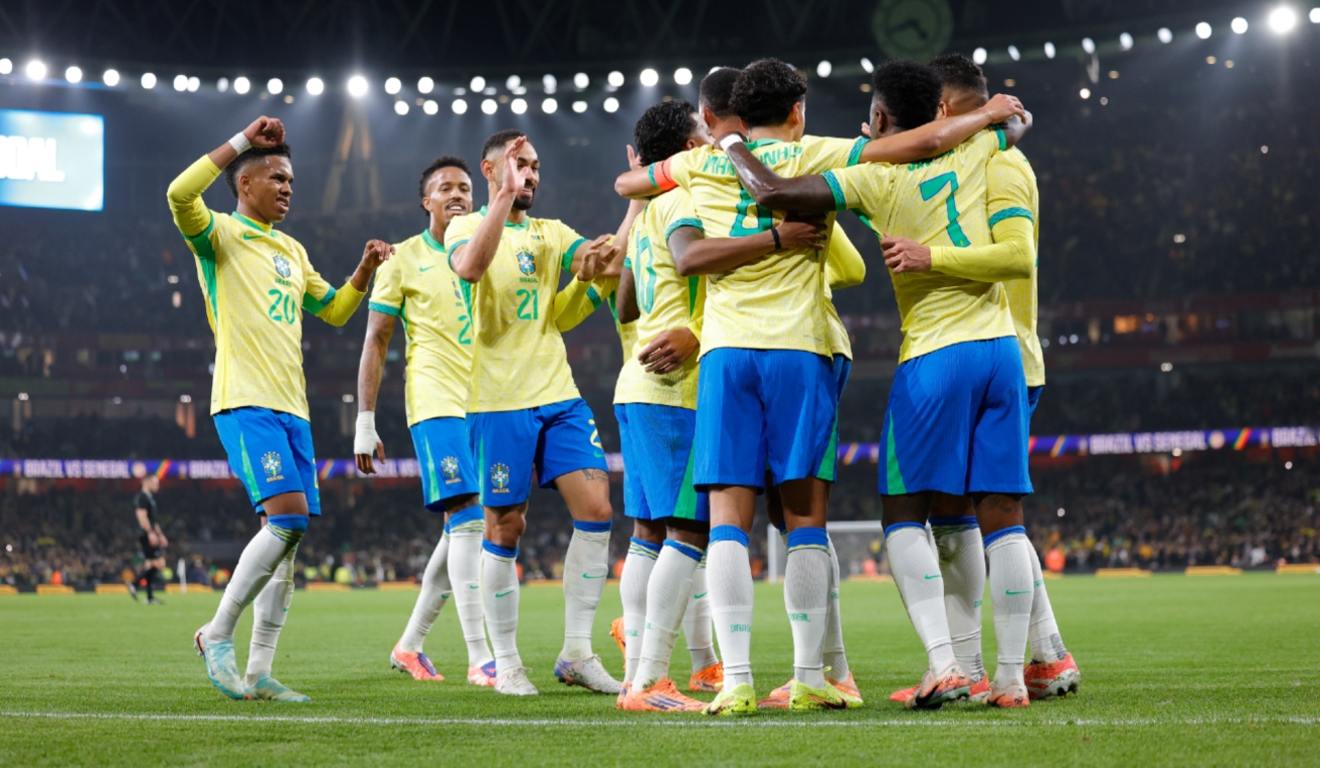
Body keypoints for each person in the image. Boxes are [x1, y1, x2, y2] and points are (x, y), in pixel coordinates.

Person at [716, 59, 1036, 708]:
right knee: (996, 519)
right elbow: (1016, 125)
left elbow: (776, 193)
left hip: (936, 356)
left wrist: (729, 145)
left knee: (900, 516)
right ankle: (1000, 677)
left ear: (881, 120)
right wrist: (1005, 118)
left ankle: (945, 664)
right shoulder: (983, 145)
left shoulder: (871, 176)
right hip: (1002, 350)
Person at [168, 116, 388, 702]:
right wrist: (242, 140)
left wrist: (364, 271)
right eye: (277, 178)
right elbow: (178, 192)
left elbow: (336, 311)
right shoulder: (216, 236)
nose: (288, 187)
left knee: (286, 539)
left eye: (292, 180)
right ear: (245, 185)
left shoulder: (292, 250)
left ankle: (261, 670)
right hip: (244, 400)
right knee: (286, 519)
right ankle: (216, 634)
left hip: (295, 410)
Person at [883, 52, 1077, 703]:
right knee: (986, 512)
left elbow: (1018, 257)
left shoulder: (997, 164)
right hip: (994, 355)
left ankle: (975, 667)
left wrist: (929, 254)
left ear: (940, 110)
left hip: (1001, 355)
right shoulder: (974, 160)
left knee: (967, 512)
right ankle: (1045, 657)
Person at [445, 130, 623, 697]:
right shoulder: (463, 226)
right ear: (491, 168)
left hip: (558, 393)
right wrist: (500, 196)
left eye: (536, 166)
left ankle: (576, 651)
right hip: (497, 400)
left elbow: (592, 260)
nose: (532, 175)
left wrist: (621, 225)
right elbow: (470, 270)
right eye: (520, 164)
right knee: (505, 525)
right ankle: (507, 663)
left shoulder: (551, 232)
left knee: (597, 509)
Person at [354, 155, 499, 686]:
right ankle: (481, 656)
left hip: (486, 399)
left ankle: (410, 645)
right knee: (469, 521)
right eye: (445, 188)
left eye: (465, 187)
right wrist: (364, 420)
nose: (457, 194)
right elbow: (376, 341)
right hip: (436, 401)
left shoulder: (486, 246)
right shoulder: (401, 259)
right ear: (426, 201)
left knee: (460, 529)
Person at [129, 474, 166, 605]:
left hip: (149, 534)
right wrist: (150, 533)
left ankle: (150, 597)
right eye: (155, 483)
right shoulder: (142, 497)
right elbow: (142, 516)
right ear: (146, 482)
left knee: (150, 565)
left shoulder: (149, 498)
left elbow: (153, 520)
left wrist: (160, 535)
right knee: (160, 563)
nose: (158, 486)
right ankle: (135, 584)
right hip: (145, 534)